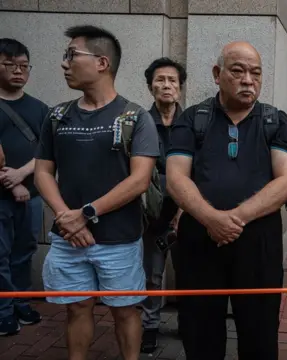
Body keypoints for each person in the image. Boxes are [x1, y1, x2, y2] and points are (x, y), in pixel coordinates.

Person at [166, 41, 287, 359]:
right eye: (238, 71)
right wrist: (212, 219)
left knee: (260, 331)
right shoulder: (192, 119)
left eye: (255, 73)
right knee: (199, 330)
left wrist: (234, 218)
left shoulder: (275, 121)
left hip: (258, 243)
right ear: (217, 73)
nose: (248, 80)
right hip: (200, 239)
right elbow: (176, 177)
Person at [34, 25, 159, 360]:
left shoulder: (134, 116)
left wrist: (85, 214)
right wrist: (66, 218)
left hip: (119, 239)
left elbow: (139, 181)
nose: (64, 63)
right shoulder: (57, 115)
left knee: (125, 309)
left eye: (72, 54)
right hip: (68, 237)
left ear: (102, 62)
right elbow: (43, 171)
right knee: (77, 308)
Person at [0, 38, 49, 336]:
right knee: (0, 254)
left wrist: (21, 176)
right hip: (2, 197)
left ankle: (19, 301)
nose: (18, 71)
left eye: (23, 66)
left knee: (24, 251)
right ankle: (3, 310)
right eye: (10, 65)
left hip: (30, 194)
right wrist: (10, 181)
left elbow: (47, 152)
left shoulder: (40, 108)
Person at [140, 57, 186, 354]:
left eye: (172, 80)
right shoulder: (140, 123)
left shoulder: (192, 122)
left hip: (187, 213)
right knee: (152, 276)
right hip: (152, 216)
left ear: (180, 88)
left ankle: (188, 322)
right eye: (160, 80)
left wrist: (184, 210)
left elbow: (199, 171)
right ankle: (150, 326)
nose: (166, 85)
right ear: (150, 86)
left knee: (189, 272)